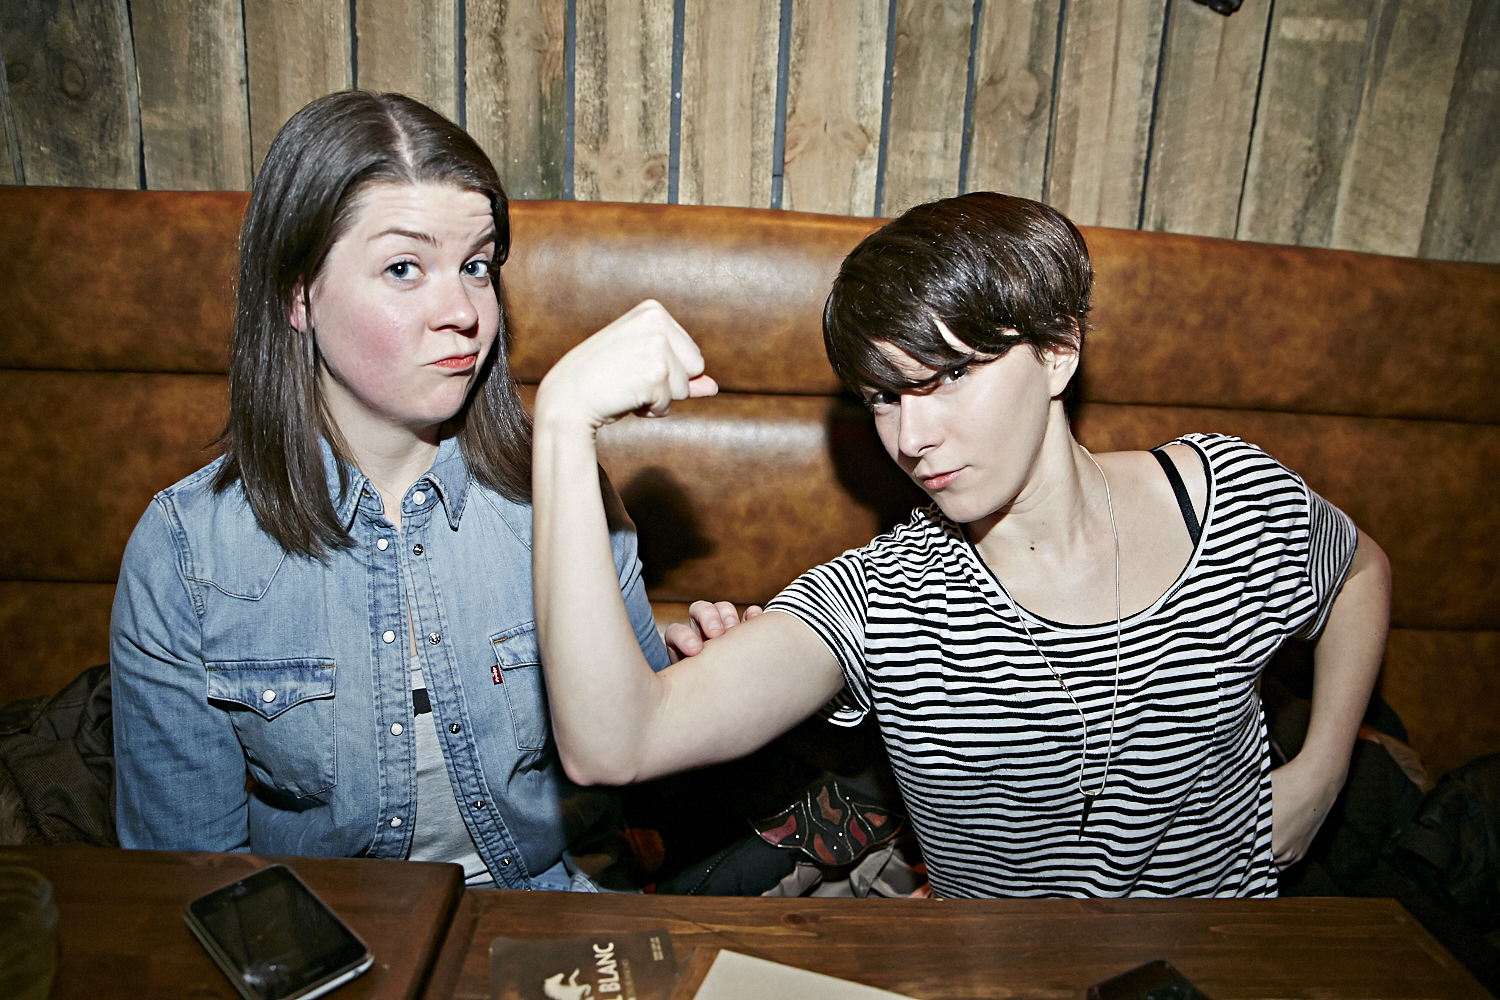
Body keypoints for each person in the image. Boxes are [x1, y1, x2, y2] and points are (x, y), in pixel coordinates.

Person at [530, 192, 1392, 898]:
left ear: (1059, 352)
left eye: (946, 378)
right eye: (881, 397)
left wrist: (1322, 769)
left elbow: (1360, 573)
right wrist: (564, 420)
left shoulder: (1227, 497)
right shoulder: (887, 600)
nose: (911, 437)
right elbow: (616, 743)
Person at [109, 91, 673, 890]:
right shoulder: (186, 552)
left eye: (476, 266)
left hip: (553, 911)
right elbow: (191, 882)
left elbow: (652, 757)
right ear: (299, 295)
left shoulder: (567, 501)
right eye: (404, 267)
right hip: (325, 936)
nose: (462, 313)